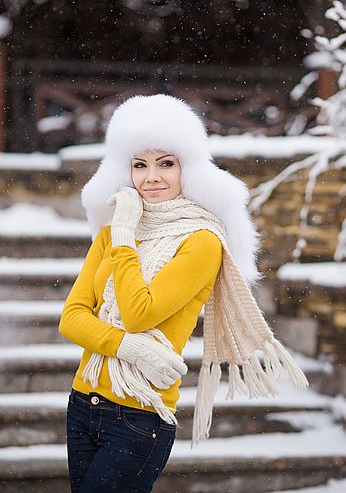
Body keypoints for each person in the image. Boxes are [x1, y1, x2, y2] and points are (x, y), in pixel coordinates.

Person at [59, 94, 309, 492]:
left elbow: (140, 312)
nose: (151, 177)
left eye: (166, 163)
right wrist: (130, 347)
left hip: (138, 416)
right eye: (140, 165)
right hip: (82, 405)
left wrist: (125, 238)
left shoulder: (200, 241)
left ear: (187, 169)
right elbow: (71, 318)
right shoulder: (111, 232)